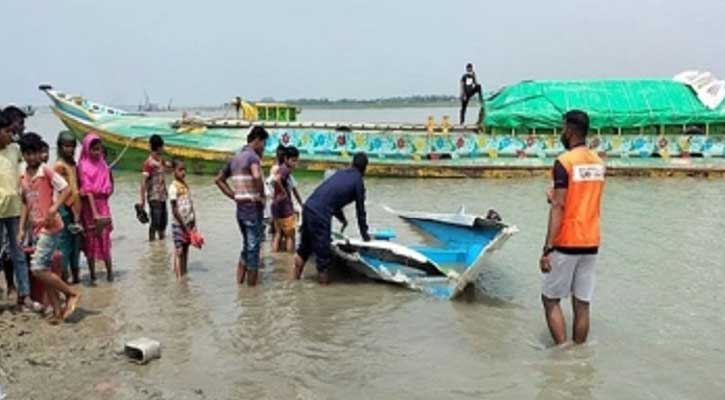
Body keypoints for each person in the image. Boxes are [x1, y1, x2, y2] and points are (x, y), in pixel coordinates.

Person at [539, 110, 605, 346]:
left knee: (550, 300)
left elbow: (559, 206)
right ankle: (579, 354)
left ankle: (563, 352)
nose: (561, 132)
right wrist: (557, 197)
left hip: (567, 241)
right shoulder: (598, 163)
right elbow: (583, 196)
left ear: (570, 129)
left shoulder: (564, 162)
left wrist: (547, 248)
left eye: (562, 127)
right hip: (591, 241)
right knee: (582, 304)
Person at [17, 133, 80, 324]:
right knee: (44, 270)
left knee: (37, 269)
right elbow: (25, 202)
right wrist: (21, 228)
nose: (31, 157)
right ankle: (58, 311)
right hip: (36, 227)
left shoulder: (45, 171)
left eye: (34, 153)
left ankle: (70, 293)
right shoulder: (22, 172)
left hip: (51, 226)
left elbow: (66, 189)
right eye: (27, 154)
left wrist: (54, 208)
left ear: (40, 153)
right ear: (23, 154)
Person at [294, 152, 371, 285]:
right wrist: (365, 236)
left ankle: (295, 283)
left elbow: (331, 198)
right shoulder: (358, 181)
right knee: (323, 258)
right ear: (364, 169)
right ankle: (324, 290)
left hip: (308, 207)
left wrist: (342, 219)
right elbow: (360, 212)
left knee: (304, 249)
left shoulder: (340, 174)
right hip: (320, 214)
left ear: (352, 163)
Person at [215, 126, 268, 286]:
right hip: (252, 210)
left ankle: (240, 287)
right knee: (253, 251)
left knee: (247, 247)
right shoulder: (252, 157)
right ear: (257, 140)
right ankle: (251, 292)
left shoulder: (235, 158)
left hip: (241, 211)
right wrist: (261, 196)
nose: (264, 148)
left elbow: (219, 180)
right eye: (264, 143)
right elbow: (257, 176)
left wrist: (234, 196)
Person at [0, 113, 32, 309]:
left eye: (11, 131)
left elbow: (24, 170)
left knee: (18, 253)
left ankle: (25, 293)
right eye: (6, 131)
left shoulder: (15, 149)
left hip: (15, 210)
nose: (10, 135)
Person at [78, 133, 115, 282]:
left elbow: (109, 186)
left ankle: (110, 273)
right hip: (89, 206)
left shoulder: (103, 164)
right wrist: (94, 213)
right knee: (91, 240)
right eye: (93, 149)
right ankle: (93, 274)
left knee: (105, 239)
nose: (96, 152)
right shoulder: (83, 165)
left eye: (99, 149)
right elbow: (87, 190)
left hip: (103, 203)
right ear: (87, 149)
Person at [54, 132, 83, 284]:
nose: (70, 149)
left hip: (76, 208)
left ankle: (76, 278)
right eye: (66, 146)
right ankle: (64, 278)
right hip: (66, 209)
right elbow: (61, 190)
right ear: (60, 147)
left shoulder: (73, 164)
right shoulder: (59, 166)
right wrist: (72, 209)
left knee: (76, 244)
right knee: (65, 244)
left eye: (72, 146)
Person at [169, 159, 196, 279]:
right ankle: (179, 278)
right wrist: (184, 226)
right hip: (178, 224)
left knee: (186, 249)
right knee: (179, 251)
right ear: (173, 171)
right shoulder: (173, 187)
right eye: (180, 170)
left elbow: (191, 204)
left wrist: (194, 223)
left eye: (184, 169)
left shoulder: (185, 185)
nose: (183, 172)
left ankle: (184, 273)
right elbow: (174, 210)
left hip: (188, 222)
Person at [138, 134, 168, 241]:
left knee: (163, 223)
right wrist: (142, 201)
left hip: (162, 196)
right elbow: (143, 182)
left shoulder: (160, 160)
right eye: (163, 146)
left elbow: (168, 166)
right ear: (159, 147)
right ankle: (152, 243)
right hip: (154, 197)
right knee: (155, 223)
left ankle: (160, 245)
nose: (163, 148)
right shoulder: (149, 163)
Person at [271, 146, 300, 252]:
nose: (295, 163)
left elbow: (275, 180)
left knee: (278, 233)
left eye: (296, 160)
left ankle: (275, 255)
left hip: (276, 204)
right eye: (293, 160)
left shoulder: (279, 168)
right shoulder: (286, 170)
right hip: (284, 206)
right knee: (290, 236)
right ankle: (288, 259)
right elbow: (277, 180)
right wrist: (284, 193)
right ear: (286, 159)